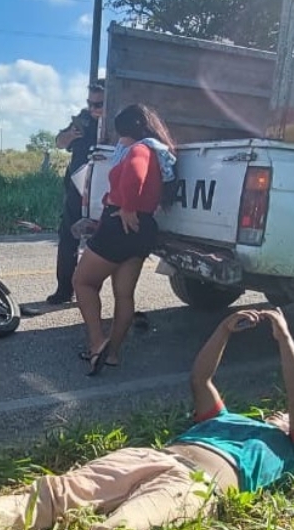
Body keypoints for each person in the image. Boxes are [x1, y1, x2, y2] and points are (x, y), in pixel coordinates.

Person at [0, 308, 294, 530]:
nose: (282, 413)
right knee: (59, 491)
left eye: (288, 416)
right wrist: (223, 330)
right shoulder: (227, 418)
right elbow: (201, 379)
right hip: (152, 457)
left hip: (195, 485)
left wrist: (284, 338)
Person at [74, 103, 177, 375]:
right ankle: (113, 354)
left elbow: (134, 174)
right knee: (124, 294)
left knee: (83, 282)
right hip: (143, 228)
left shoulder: (140, 149)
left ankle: (98, 342)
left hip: (120, 223)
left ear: (128, 130)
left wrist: (128, 205)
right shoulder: (157, 151)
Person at [43, 80, 105, 306]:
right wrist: (71, 134)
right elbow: (59, 142)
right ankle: (64, 290)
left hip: (107, 191)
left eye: (98, 104)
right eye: (90, 103)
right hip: (77, 189)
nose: (92, 109)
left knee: (102, 244)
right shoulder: (83, 119)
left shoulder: (120, 122)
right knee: (68, 238)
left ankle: (89, 290)